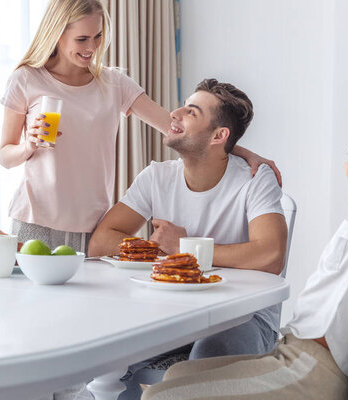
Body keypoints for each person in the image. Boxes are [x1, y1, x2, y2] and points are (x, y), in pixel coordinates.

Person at [141, 110, 348, 400]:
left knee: (160, 396)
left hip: (311, 371)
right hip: (294, 354)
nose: (345, 165)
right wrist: (230, 149)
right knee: (177, 374)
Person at [0, 0, 281, 255]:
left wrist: (242, 152)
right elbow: (5, 155)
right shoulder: (26, 80)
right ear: (56, 34)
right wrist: (28, 146)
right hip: (34, 221)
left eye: (97, 36)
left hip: (91, 226)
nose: (91, 48)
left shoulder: (113, 84)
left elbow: (176, 127)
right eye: (81, 39)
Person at [88, 78, 288, 398]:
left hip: (241, 318)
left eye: (191, 112)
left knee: (203, 364)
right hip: (171, 312)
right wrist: (160, 248)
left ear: (219, 136)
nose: (175, 113)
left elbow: (270, 255)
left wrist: (185, 247)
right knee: (105, 354)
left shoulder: (254, 179)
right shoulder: (157, 176)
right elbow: (101, 241)